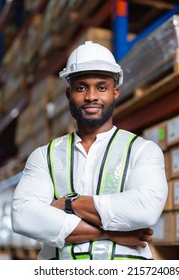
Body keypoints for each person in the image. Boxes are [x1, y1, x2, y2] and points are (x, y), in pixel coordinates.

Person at [11, 41, 168, 260]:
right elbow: (24, 217)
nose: (91, 96)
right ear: (68, 94)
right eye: (81, 87)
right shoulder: (44, 157)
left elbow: (145, 209)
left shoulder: (142, 150)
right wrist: (110, 232)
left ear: (115, 92)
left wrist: (69, 203)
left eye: (101, 87)